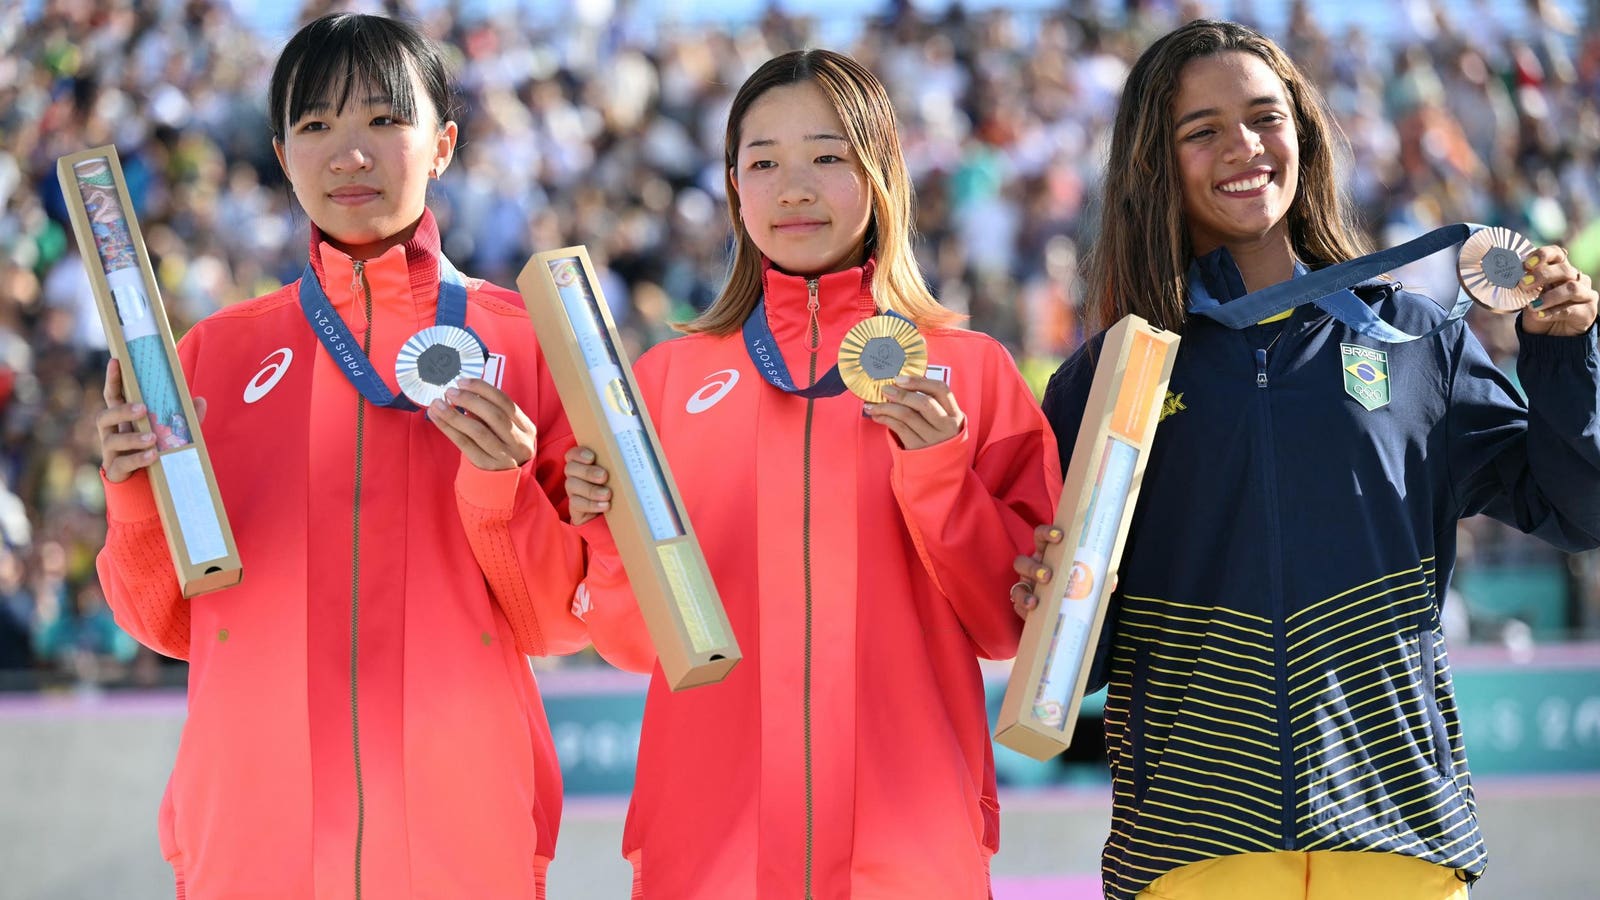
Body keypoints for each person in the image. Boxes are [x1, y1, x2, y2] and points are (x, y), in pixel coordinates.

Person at [1012, 19, 1600, 900]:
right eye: (1201, 130)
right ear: (1154, 164)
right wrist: (1047, 601)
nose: (1243, 147)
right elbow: (1082, 661)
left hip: (1396, 834)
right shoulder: (1110, 377)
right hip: (1194, 846)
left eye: (1264, 117)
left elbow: (1578, 511)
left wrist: (1563, 357)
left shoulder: (1415, 341)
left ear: (1304, 131)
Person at [94, 14, 588, 898]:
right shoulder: (212, 355)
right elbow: (168, 623)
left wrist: (500, 487)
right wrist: (133, 496)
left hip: (461, 834)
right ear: (282, 155)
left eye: (382, 121)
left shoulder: (530, 341)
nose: (348, 153)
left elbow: (559, 617)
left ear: (441, 145)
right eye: (316, 126)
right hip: (252, 838)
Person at [564, 49, 1061, 898]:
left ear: (881, 174)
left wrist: (940, 475)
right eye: (764, 163)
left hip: (906, 854)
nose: (794, 188)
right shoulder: (665, 383)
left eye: (828, 156)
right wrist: (605, 537)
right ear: (733, 187)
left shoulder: (970, 372)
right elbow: (629, 641)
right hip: (710, 852)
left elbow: (1009, 625)